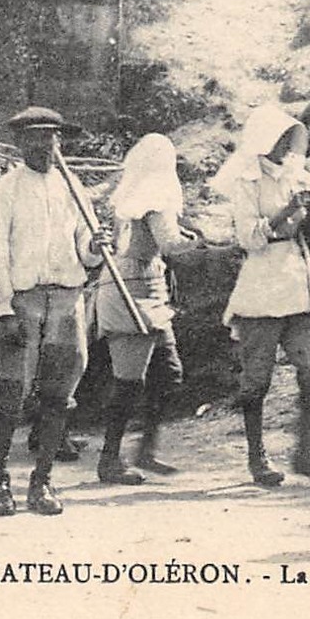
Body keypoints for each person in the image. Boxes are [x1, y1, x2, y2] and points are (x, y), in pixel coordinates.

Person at [0, 106, 109, 516]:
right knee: (10, 394)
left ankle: (42, 481)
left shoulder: (73, 189)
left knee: (59, 395)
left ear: (59, 141)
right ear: (19, 144)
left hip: (67, 300)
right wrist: (3, 309)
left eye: (51, 137)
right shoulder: (5, 190)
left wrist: (96, 247)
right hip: (23, 301)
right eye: (34, 138)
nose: (44, 145)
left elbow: (84, 247)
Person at [210, 106, 310, 488]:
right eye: (280, 138)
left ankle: (305, 454)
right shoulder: (247, 182)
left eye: (290, 137)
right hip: (262, 285)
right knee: (257, 381)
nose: (286, 145)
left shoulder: (296, 175)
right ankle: (258, 458)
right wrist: (287, 210)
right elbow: (247, 237)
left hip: (298, 283)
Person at [92, 133, 198, 484]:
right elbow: (168, 242)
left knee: (168, 372)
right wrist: (200, 239)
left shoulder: (136, 195)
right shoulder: (153, 196)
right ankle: (109, 460)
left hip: (148, 288)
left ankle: (146, 450)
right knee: (128, 382)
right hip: (129, 290)